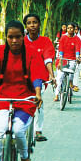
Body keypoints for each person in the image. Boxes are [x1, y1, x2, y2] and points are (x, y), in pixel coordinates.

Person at [0, 20, 47, 161]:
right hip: (2, 99)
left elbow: (36, 75)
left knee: (18, 130)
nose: (14, 40)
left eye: (17, 36)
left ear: (23, 36)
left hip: (25, 99)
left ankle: (25, 159)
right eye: (11, 37)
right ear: (6, 37)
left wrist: (37, 93)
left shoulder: (30, 53)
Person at [23, 13, 56, 142]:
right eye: (29, 23)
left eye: (35, 22)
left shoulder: (45, 41)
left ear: (39, 24)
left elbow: (48, 60)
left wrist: (52, 76)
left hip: (39, 79)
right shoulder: (20, 40)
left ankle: (38, 130)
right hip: (22, 79)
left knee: (38, 103)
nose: (32, 25)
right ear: (26, 26)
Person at [54, 23, 81, 101]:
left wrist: (77, 57)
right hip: (63, 59)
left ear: (74, 29)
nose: (70, 29)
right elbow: (61, 49)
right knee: (59, 77)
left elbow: (77, 49)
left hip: (72, 59)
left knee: (71, 74)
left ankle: (71, 83)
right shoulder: (63, 38)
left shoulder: (77, 39)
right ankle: (56, 94)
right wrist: (60, 60)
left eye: (71, 28)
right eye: (68, 28)